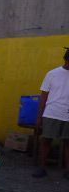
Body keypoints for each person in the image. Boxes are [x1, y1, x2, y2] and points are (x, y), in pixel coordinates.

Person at [32, 47, 69, 177]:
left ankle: (67, 171)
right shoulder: (52, 74)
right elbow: (44, 96)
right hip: (52, 113)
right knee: (46, 141)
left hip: (68, 115)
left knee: (67, 143)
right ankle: (42, 168)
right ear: (66, 59)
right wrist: (39, 117)